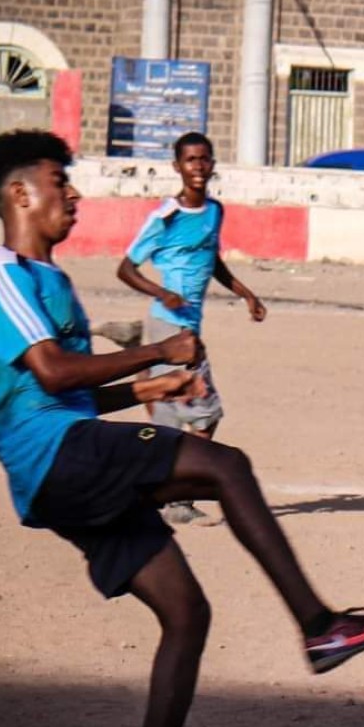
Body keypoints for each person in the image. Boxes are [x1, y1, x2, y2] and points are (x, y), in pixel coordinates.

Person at [0, 130, 364, 727]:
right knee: (226, 465)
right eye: (58, 181)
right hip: (54, 459)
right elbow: (55, 371)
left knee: (186, 613)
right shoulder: (3, 274)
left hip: (69, 454)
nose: (72, 193)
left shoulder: (49, 278)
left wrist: (147, 391)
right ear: (19, 193)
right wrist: (157, 353)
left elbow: (70, 389)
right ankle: (321, 627)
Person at [116, 131, 264, 523]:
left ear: (212, 164)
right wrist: (161, 293)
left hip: (190, 330)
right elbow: (126, 268)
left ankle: (162, 490)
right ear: (176, 167)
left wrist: (245, 293)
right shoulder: (166, 217)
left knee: (185, 414)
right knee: (202, 413)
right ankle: (173, 500)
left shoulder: (214, 211)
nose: (197, 167)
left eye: (204, 159)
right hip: (168, 329)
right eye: (190, 160)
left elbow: (212, 261)